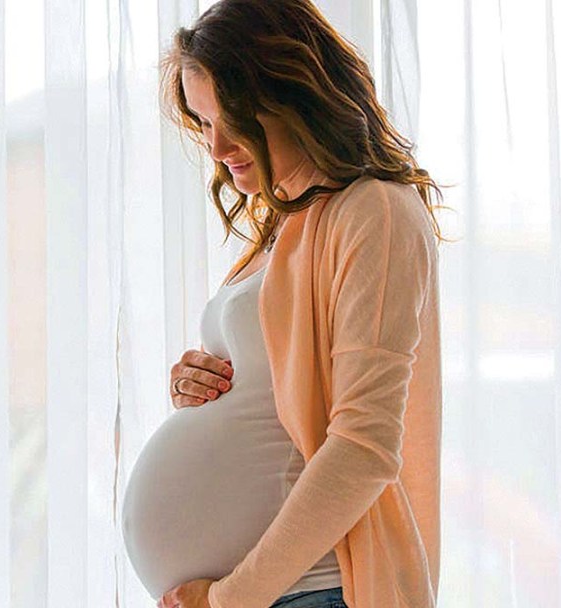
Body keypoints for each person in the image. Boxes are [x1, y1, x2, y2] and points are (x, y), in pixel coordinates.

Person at [138, 1, 449, 607]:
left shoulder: (374, 211)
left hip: (318, 590)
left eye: (233, 116)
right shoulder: (286, 224)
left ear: (294, 93)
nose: (218, 146)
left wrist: (229, 599)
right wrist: (195, 390)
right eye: (203, 122)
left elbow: (363, 446)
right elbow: (281, 401)